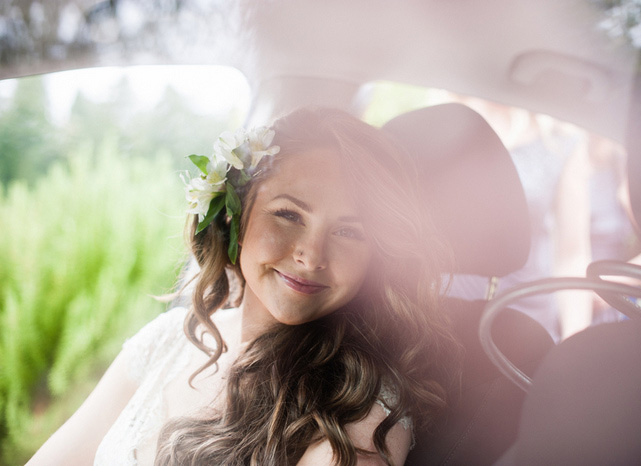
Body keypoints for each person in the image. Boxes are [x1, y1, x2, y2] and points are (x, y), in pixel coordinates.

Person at [27, 107, 458, 466]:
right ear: (235, 214)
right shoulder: (166, 342)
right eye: (288, 215)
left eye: (348, 233)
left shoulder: (359, 407)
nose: (311, 255)